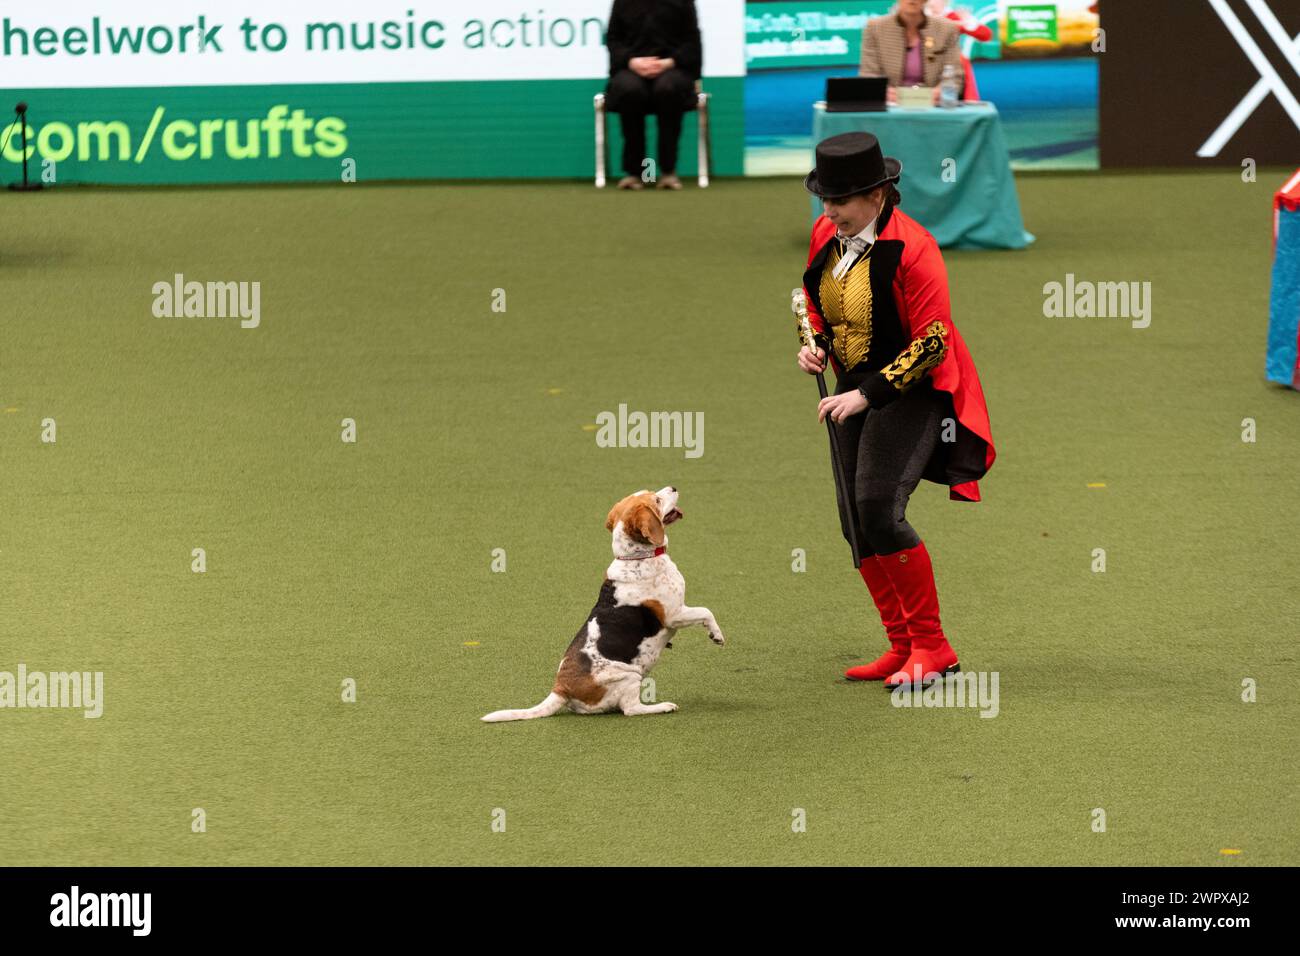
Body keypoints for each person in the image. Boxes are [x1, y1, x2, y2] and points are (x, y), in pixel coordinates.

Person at [796, 132, 995, 687]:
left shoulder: (916, 249)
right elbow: (807, 298)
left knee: (880, 505)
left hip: (912, 387)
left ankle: (934, 647)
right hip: (849, 383)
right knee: (855, 522)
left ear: (879, 194)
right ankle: (901, 643)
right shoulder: (824, 234)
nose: (829, 212)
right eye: (825, 200)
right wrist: (812, 342)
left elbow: (934, 342)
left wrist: (866, 394)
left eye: (841, 201)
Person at [604, 0, 702, 191]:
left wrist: (668, 63)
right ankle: (637, 173)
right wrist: (632, 62)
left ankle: (668, 171)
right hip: (630, 68)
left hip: (674, 69)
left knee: (667, 89)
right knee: (630, 90)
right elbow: (613, 40)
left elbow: (692, 42)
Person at [859, 0, 963, 106]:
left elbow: (955, 76)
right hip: (890, 107)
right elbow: (869, 75)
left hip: (934, 108)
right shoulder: (874, 28)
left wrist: (941, 92)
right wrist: (883, 91)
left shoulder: (947, 29)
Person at [925, 0, 993, 100]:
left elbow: (986, 35)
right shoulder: (918, 15)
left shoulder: (954, 16)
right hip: (923, 62)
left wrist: (967, 23)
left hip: (950, 64)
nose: (932, 2)